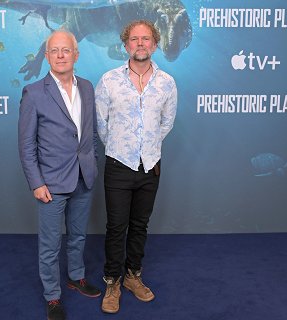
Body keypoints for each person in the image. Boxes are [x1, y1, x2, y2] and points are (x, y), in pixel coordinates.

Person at [95, 20, 178, 313]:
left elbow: (166, 123)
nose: (140, 43)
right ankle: (113, 281)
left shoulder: (167, 83)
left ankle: (133, 275)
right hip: (118, 164)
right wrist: (123, 148)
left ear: (154, 44)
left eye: (146, 39)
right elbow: (102, 125)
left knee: (140, 225)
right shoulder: (108, 81)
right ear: (125, 45)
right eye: (134, 39)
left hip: (151, 166)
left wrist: (147, 147)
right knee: (116, 227)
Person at [18, 30, 101, 320]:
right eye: (54, 51)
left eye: (66, 50)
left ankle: (76, 276)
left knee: (78, 236)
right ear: (47, 55)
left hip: (83, 177)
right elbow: (26, 144)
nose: (61, 55)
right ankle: (53, 296)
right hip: (50, 183)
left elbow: (90, 133)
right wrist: (36, 182)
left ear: (76, 55)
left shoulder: (88, 88)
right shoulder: (34, 92)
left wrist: (92, 163)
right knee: (50, 245)